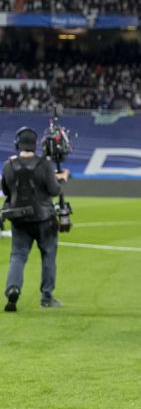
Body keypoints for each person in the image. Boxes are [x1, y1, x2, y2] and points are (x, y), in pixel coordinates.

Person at [2, 127, 69, 311]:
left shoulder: (8, 165)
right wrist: (62, 178)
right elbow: (54, 190)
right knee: (48, 256)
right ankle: (47, 297)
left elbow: (7, 191)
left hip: (19, 219)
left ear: (18, 143)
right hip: (44, 219)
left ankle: (12, 289)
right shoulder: (44, 164)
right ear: (35, 144)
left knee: (17, 256)